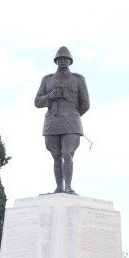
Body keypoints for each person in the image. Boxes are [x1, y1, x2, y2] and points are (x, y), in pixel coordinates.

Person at [34, 45, 91, 194]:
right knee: (56, 156)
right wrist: (50, 96)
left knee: (67, 153)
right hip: (52, 123)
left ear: (70, 61)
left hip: (71, 123)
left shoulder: (78, 79)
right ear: (56, 61)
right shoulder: (47, 80)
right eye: (60, 58)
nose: (62, 61)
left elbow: (85, 103)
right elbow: (37, 102)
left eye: (65, 58)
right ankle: (59, 188)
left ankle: (68, 187)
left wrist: (73, 114)